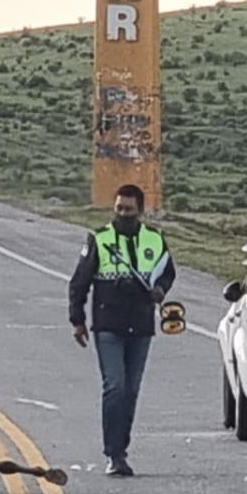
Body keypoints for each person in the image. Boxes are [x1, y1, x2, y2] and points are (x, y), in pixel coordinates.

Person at [67, 184, 176, 477]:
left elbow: (168, 270)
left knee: (131, 391)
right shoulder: (100, 239)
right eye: (119, 209)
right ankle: (112, 454)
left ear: (140, 210)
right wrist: (77, 319)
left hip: (141, 326)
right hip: (108, 326)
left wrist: (160, 290)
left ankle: (122, 450)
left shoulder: (154, 239)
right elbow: (79, 282)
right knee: (115, 387)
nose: (123, 214)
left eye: (128, 209)